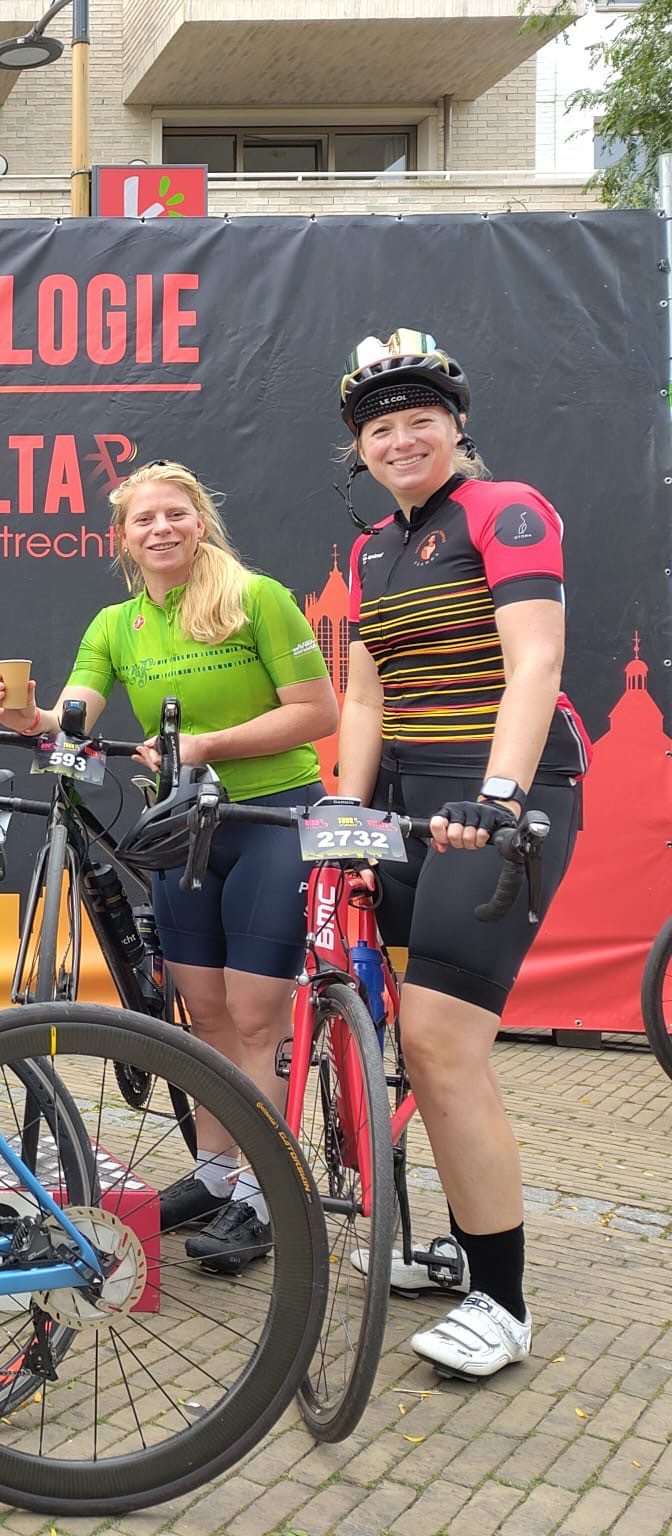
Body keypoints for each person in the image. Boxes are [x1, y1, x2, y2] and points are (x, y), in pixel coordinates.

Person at [0, 460, 337, 1272]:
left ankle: (265, 1194)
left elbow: (317, 712)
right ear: (123, 539)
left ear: (199, 521)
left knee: (255, 1018)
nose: (162, 530)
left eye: (175, 514)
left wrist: (207, 746)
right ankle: (217, 1177)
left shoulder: (258, 597)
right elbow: (74, 717)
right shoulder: (116, 625)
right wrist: (31, 717)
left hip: (269, 818)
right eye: (144, 521)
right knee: (203, 1015)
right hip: (181, 829)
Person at [334, 329, 583, 1378]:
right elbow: (362, 692)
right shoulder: (367, 549)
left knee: (442, 1043)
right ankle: (454, 1253)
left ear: (454, 427)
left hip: (501, 801)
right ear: (360, 446)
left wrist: (496, 795)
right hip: (401, 805)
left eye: (416, 420)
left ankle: (501, 1299)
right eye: (379, 427)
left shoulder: (504, 509)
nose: (399, 438)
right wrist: (340, 821)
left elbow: (534, 660)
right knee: (410, 1046)